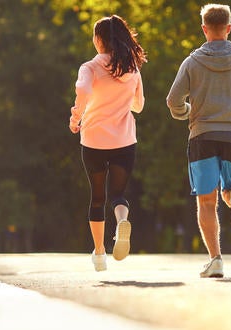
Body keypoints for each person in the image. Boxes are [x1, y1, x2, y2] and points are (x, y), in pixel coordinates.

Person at [166, 3, 231, 278]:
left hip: (202, 135)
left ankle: (216, 260)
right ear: (229, 28)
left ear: (204, 29)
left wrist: (186, 113)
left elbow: (172, 100)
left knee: (206, 200)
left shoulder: (192, 62)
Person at [69, 15, 146, 272]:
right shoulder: (132, 68)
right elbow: (139, 105)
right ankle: (122, 221)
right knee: (118, 195)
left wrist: (76, 117)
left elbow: (83, 90)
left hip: (93, 140)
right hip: (124, 141)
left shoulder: (89, 67)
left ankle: (100, 253)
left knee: (97, 197)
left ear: (99, 39)